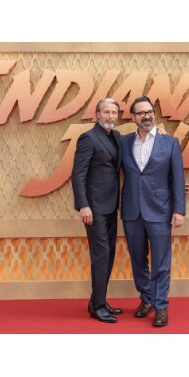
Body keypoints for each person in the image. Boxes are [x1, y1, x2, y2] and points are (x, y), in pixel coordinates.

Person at [119, 96, 186, 328]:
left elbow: (177, 178)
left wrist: (179, 210)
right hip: (131, 211)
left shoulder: (170, 143)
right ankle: (146, 298)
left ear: (153, 114)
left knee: (160, 262)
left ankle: (160, 306)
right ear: (133, 117)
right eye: (141, 113)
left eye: (149, 112)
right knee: (138, 260)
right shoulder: (123, 142)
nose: (146, 116)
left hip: (160, 211)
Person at [71, 97, 126, 323]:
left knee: (109, 253)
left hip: (111, 205)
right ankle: (99, 307)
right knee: (101, 254)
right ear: (97, 114)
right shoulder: (88, 138)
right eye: (106, 112)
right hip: (93, 208)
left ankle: (97, 300)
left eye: (114, 113)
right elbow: (78, 174)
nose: (111, 116)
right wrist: (83, 205)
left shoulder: (116, 137)